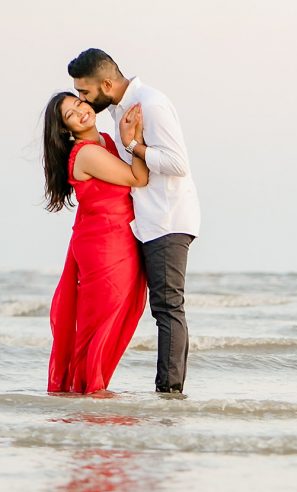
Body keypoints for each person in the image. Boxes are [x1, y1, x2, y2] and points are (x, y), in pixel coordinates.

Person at [69, 48, 200, 394]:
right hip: (149, 220)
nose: (82, 100)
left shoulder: (150, 104)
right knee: (162, 308)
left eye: (85, 92)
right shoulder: (121, 109)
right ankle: (166, 389)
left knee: (168, 307)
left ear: (107, 83)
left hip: (168, 217)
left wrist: (134, 146)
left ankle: (169, 392)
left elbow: (177, 163)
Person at [42, 91, 149, 395]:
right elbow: (137, 178)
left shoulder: (103, 139)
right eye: (71, 114)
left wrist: (126, 140)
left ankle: (89, 392)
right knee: (101, 320)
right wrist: (133, 139)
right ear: (66, 129)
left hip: (118, 238)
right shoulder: (87, 152)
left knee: (121, 314)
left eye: (79, 103)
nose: (81, 111)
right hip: (103, 245)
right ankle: (90, 391)